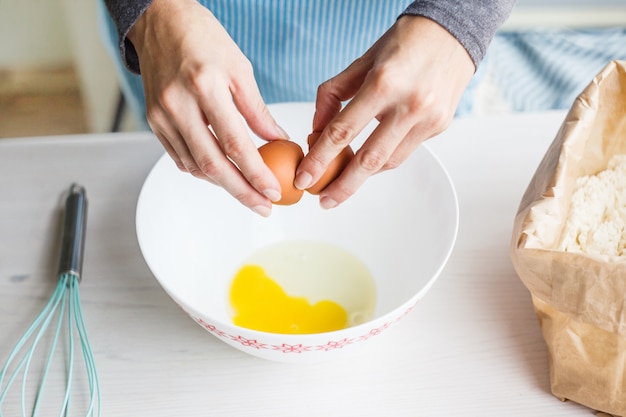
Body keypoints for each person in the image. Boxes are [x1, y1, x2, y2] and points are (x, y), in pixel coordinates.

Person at [101, 0, 515, 216]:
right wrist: (152, 14)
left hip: (414, 55)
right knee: (197, 148)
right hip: (188, 41)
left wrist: (459, 18)